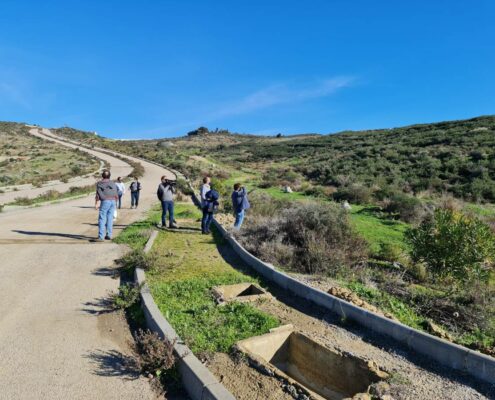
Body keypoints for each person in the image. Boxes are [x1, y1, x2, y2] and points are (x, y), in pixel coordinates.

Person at [95, 169, 118, 241]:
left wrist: (96, 203)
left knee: (102, 218)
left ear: (102, 176)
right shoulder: (113, 183)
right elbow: (116, 193)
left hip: (105, 201)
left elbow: (98, 194)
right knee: (110, 218)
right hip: (113, 201)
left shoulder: (99, 183)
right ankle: (109, 235)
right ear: (109, 176)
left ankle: (101, 237)